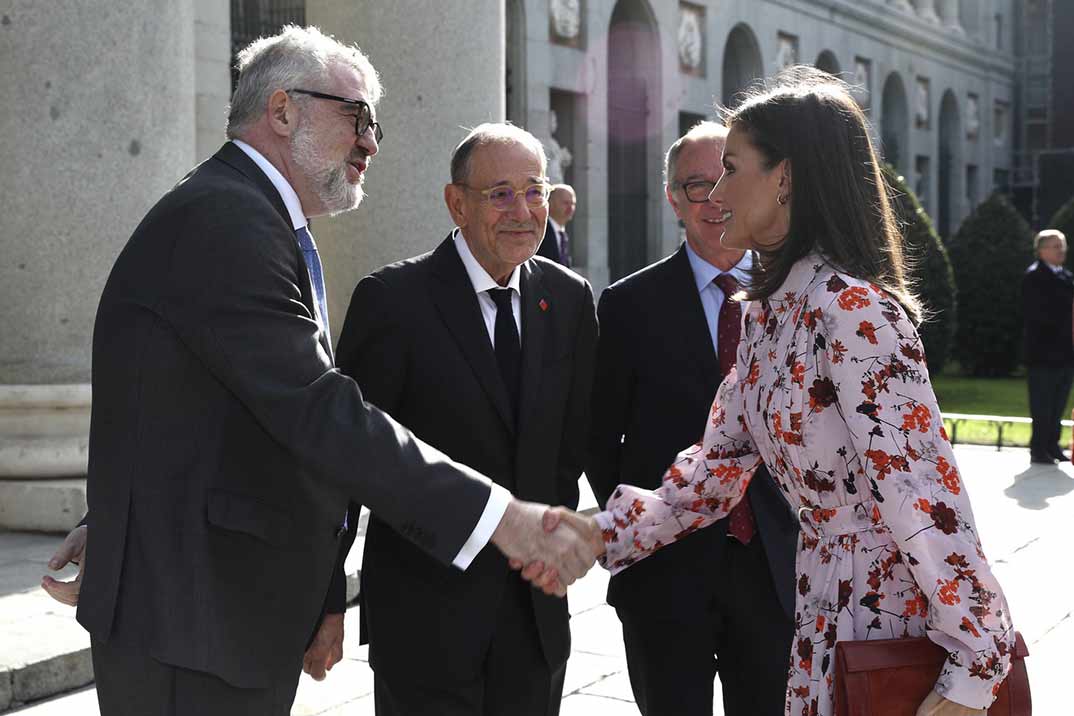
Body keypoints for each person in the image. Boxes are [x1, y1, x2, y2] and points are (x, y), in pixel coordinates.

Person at [39, 26, 596, 716]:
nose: (371, 143)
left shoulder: (245, 214)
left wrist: (122, 514)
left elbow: (183, 398)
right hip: (195, 617)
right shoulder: (229, 222)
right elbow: (319, 410)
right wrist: (501, 517)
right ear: (281, 111)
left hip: (210, 607)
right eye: (357, 118)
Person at [545, 68, 1016, 716]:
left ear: (786, 178)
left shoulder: (852, 312)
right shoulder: (770, 315)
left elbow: (925, 496)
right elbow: (711, 476)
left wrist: (974, 664)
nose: (716, 191)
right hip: (818, 613)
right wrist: (593, 534)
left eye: (732, 168)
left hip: (887, 630)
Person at [332, 123, 597, 716]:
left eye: (534, 190)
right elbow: (345, 457)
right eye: (499, 193)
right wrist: (325, 599)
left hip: (534, 619)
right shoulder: (393, 301)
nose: (523, 210)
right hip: (425, 620)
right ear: (457, 203)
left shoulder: (571, 299)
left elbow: (570, 449)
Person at [587, 122, 796, 716]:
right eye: (695, 185)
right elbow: (598, 436)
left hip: (779, 569)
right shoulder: (628, 304)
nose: (714, 200)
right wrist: (648, 524)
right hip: (665, 575)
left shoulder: (797, 296)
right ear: (673, 199)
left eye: (726, 178)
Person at [1021, 229, 1074, 464]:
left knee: (1058, 404)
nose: (1061, 250)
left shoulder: (1066, 276)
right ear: (1041, 250)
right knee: (1042, 404)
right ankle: (1038, 448)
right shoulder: (1034, 277)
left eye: (1062, 245)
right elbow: (1037, 314)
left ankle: (1053, 445)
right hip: (1043, 353)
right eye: (1055, 246)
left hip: (1065, 353)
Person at [536, 184, 575, 267]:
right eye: (566, 203)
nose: (570, 208)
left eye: (573, 204)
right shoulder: (542, 230)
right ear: (551, 203)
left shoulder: (562, 235)